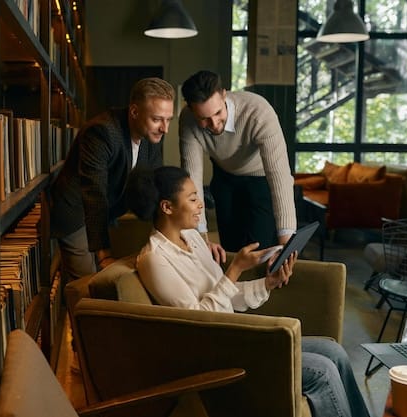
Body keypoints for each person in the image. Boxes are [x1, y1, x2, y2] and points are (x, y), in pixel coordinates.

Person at [125, 166, 370, 417]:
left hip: (235, 337)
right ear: (167, 207)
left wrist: (268, 283)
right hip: (213, 354)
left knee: (335, 352)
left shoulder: (193, 238)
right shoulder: (154, 259)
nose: (201, 204)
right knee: (322, 370)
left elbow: (224, 295)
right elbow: (196, 321)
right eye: (192, 198)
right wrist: (235, 269)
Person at [49, 77, 175, 281]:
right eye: (157, 119)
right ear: (134, 111)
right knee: (85, 284)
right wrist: (103, 253)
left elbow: (156, 185)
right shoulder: (102, 132)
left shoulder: (152, 135)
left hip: (109, 208)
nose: (165, 128)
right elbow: (94, 193)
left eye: (168, 119)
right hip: (76, 211)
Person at [179, 69, 297, 256]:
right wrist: (200, 237)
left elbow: (280, 176)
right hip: (225, 176)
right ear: (191, 109)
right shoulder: (187, 119)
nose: (215, 124)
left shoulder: (258, 112)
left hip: (261, 178)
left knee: (261, 248)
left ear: (224, 95)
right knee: (230, 250)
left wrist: (287, 244)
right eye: (204, 119)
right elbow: (192, 178)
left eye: (218, 113)